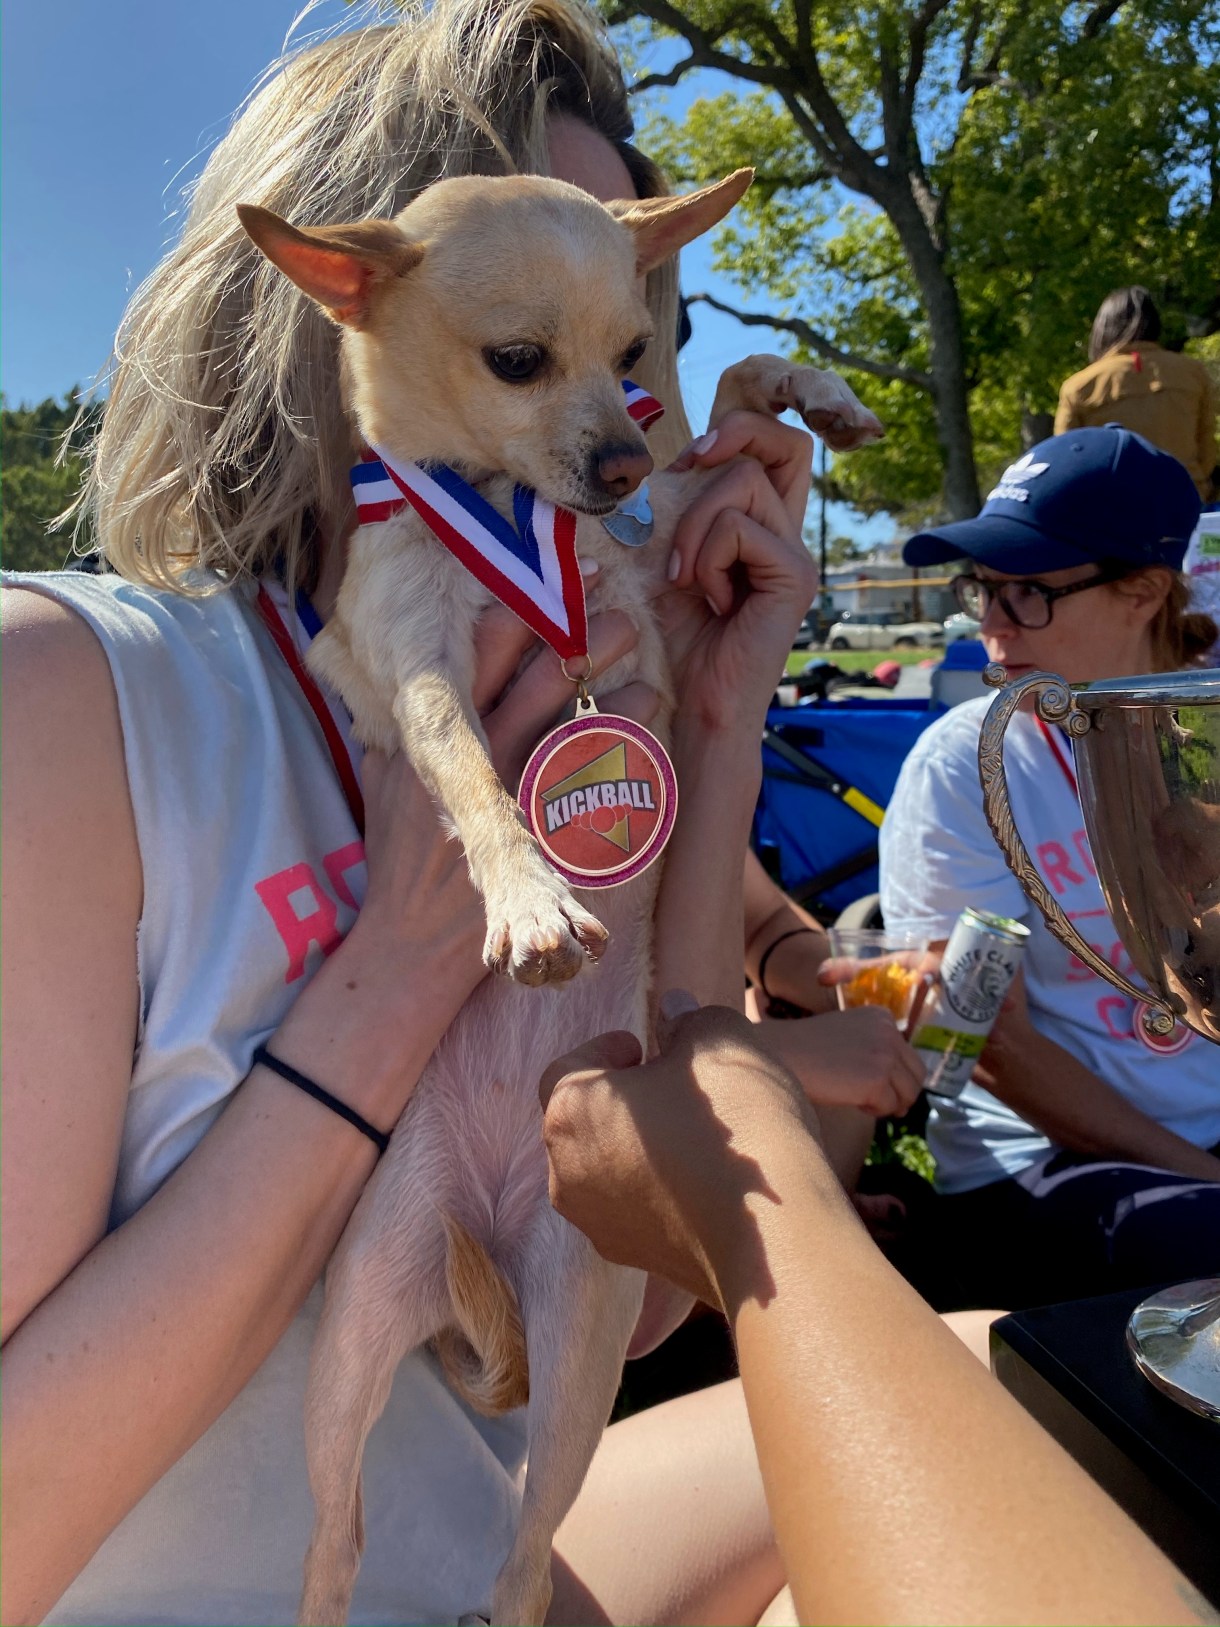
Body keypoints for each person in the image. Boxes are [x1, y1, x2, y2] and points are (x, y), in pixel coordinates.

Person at [0, 2, 902, 1622]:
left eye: (638, 347)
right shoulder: (66, 698)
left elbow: (622, 1308)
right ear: (330, 311)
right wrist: (404, 964)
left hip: (492, 1566)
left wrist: (712, 732)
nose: (625, 427)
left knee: (1017, 1400)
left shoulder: (580, 696)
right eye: (520, 347)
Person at [538, 993, 1214, 1627]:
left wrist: (756, 1224)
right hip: (461, 1578)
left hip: (475, 1562)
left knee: (984, 1354)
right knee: (990, 1378)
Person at [882, 424, 1220, 1310]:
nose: (991, 624)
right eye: (984, 589)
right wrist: (1200, 1172)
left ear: (1145, 591)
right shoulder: (963, 767)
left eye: (1028, 591)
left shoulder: (1206, 733)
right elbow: (986, 1041)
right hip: (1039, 1161)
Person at [1055, 286, 1217, 502]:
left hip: (1112, 508)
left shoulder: (1079, 386)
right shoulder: (1193, 373)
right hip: (1183, 501)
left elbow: (1066, 463)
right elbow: (1207, 450)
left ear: (1103, 328)